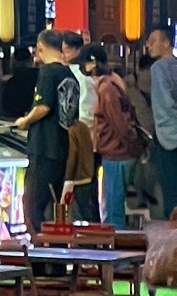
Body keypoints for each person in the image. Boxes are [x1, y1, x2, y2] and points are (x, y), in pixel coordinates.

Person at [12, 28, 73, 232]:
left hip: (45, 146)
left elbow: (43, 107)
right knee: (53, 206)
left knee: (32, 205)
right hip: (63, 147)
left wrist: (25, 120)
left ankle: (40, 252)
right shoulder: (68, 73)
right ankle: (55, 254)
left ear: (40, 48)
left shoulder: (48, 72)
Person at [88, 47, 147, 233]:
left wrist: (132, 146)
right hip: (121, 152)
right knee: (114, 206)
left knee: (113, 210)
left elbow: (119, 125)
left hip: (116, 153)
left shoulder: (106, 89)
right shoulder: (114, 81)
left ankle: (117, 256)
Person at [57, 29, 97, 220]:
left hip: (76, 137)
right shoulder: (88, 74)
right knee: (88, 191)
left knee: (74, 188)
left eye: (63, 50)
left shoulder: (72, 74)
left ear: (73, 50)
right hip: (90, 138)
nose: (62, 54)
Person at [146, 26, 177, 218]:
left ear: (166, 43)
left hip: (169, 139)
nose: (148, 45)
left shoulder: (158, 68)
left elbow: (163, 106)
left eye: (153, 40)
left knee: (170, 193)